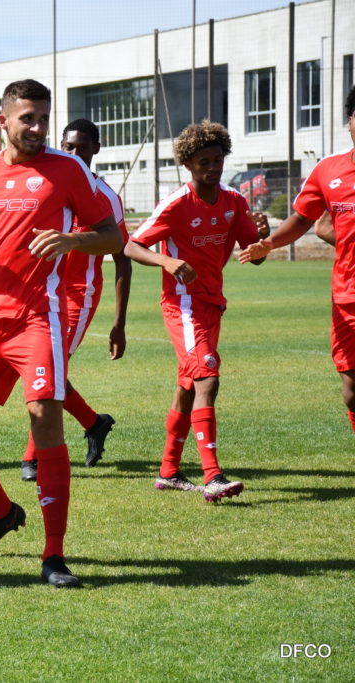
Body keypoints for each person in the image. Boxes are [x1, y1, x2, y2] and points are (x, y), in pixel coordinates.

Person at [0, 80, 123, 588]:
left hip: (39, 319)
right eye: (28, 119)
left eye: (43, 118)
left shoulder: (67, 169)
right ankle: (1, 512)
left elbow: (113, 236)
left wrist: (72, 240)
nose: (38, 128)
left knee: (44, 418)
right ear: (3, 121)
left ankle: (54, 555)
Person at [126, 120, 269, 502]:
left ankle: (168, 471)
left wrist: (263, 238)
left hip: (211, 303)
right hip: (183, 304)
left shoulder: (234, 201)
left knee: (188, 386)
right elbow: (131, 246)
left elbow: (254, 255)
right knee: (208, 377)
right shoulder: (176, 204)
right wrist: (167, 262)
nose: (212, 168)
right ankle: (213, 476)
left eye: (217, 160)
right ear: (187, 164)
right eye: (204, 162)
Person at [20, 119, 132, 481]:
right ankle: (93, 423)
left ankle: (33, 458)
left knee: (49, 370)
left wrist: (119, 324)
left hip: (78, 296)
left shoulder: (105, 196)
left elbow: (122, 260)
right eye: (68, 147)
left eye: (82, 147)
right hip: (42, 291)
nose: (73, 153)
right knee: (44, 370)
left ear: (96, 149)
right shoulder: (49, 185)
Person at [240, 86, 355, 434]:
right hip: (347, 296)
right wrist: (269, 244)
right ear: (350, 121)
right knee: (351, 391)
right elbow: (305, 219)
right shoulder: (328, 170)